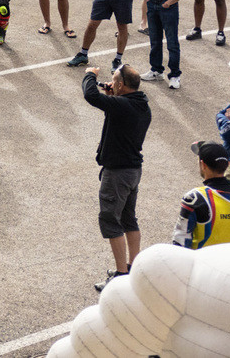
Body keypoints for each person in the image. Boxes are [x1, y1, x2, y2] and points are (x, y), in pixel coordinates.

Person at [82, 64, 151, 291]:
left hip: (118, 174)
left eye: (114, 80)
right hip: (133, 171)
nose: (111, 83)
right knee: (129, 219)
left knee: (112, 221)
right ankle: (134, 267)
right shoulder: (140, 105)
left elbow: (91, 95)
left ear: (121, 84)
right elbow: (118, 113)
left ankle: (121, 275)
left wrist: (90, 75)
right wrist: (114, 98)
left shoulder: (123, 106)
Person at [174, 142, 230, 250]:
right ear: (228, 164)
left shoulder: (195, 198)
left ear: (203, 165)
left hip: (204, 265)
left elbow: (180, 243)